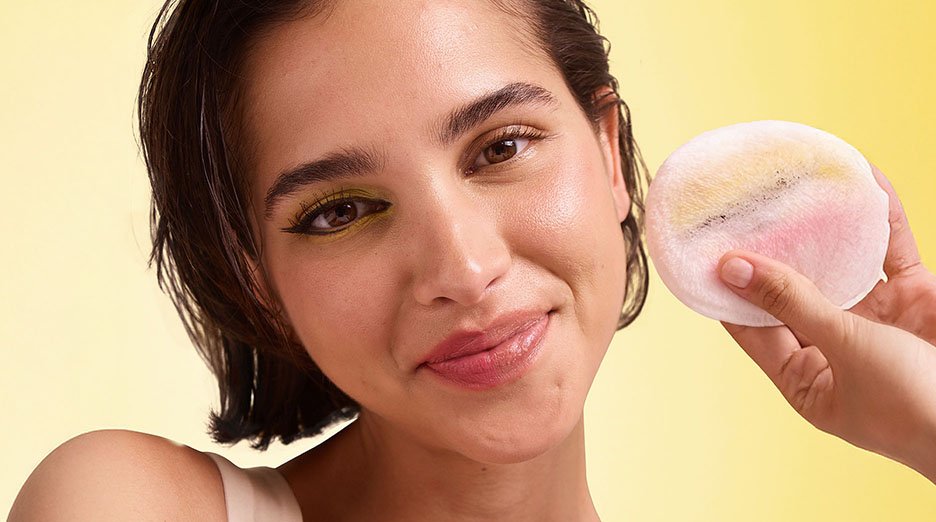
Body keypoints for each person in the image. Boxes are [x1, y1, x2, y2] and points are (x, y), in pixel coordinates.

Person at [9, 0, 935, 520]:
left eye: (500, 148)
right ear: (257, 276)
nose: (462, 266)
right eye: (340, 211)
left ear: (608, 156)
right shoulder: (128, 507)